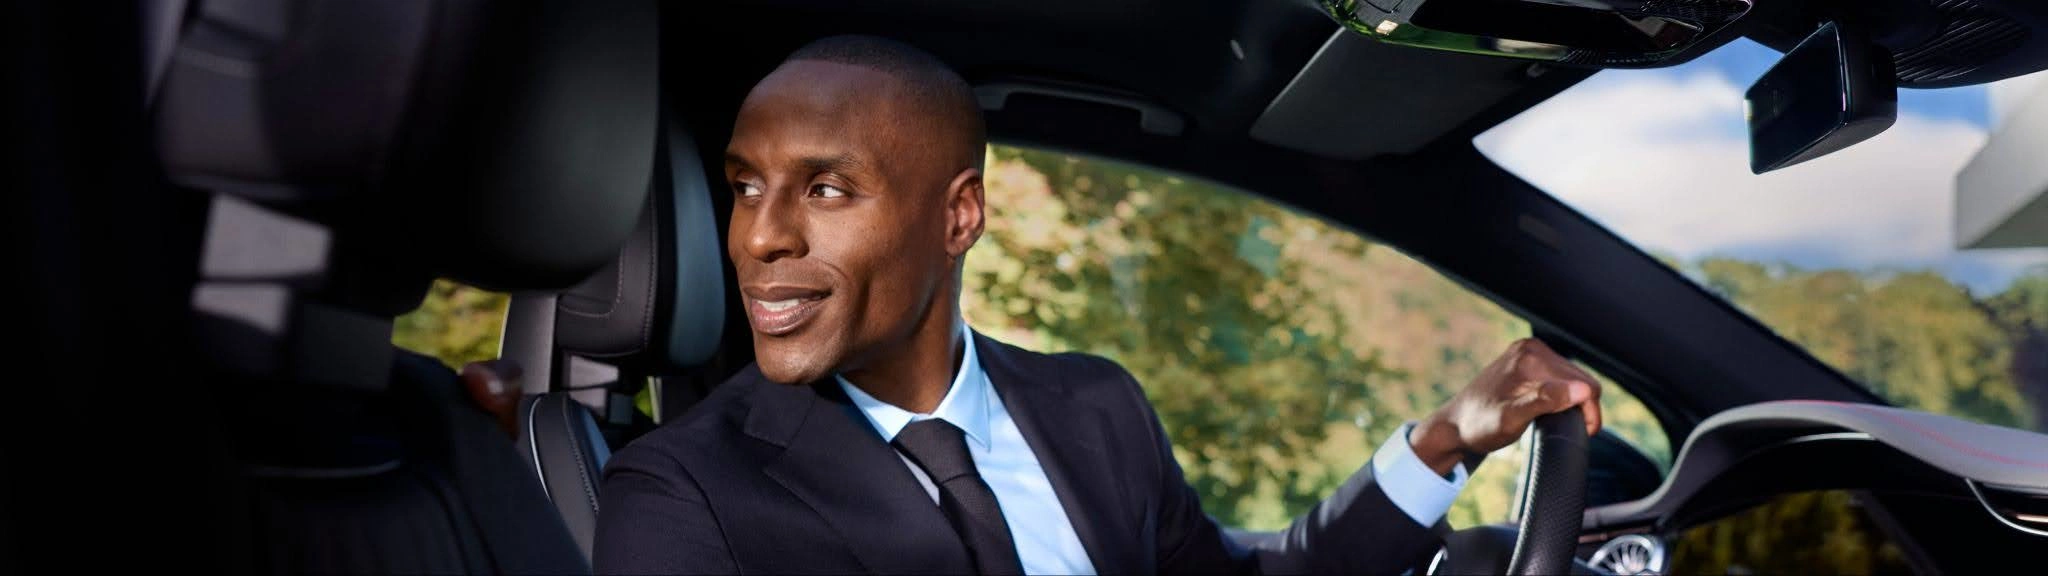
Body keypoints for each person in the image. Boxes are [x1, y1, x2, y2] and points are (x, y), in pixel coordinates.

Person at [593, 35, 1603, 576]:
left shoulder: (1095, 409)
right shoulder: (678, 495)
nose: (759, 236)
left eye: (822, 189)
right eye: (744, 185)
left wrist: (1442, 441)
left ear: (957, 219)